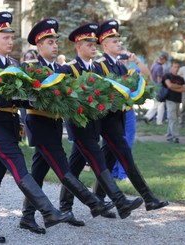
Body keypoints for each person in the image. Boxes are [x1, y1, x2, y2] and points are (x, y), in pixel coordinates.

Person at [0, 12, 71, 243]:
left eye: (11, 37)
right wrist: (14, 97)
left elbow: (22, 97)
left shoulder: (15, 65)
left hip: (10, 125)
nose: (10, 41)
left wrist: (35, 98)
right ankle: (48, 211)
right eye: (4, 37)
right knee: (19, 167)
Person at [18, 18, 113, 234]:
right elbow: (24, 98)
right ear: (39, 45)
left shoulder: (61, 69)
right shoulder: (32, 67)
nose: (54, 45)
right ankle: (93, 203)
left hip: (54, 124)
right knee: (63, 168)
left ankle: (27, 217)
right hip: (39, 124)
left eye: (55, 41)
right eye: (49, 42)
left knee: (39, 172)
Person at [58, 22, 143, 220]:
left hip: (94, 125)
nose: (93, 47)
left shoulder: (97, 68)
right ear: (78, 47)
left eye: (95, 43)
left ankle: (70, 207)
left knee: (75, 166)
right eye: (89, 44)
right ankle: (116, 202)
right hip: (79, 127)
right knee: (90, 163)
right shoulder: (69, 69)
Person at [91, 19, 169, 214]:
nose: (119, 44)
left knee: (108, 160)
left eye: (119, 40)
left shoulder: (119, 66)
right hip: (107, 121)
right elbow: (98, 92)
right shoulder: (99, 66)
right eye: (114, 41)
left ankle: (98, 201)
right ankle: (149, 198)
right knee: (126, 157)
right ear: (105, 44)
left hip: (119, 118)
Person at [163, 60, 185, 143]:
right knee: (173, 118)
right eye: (175, 67)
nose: (176, 69)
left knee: (173, 118)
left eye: (178, 67)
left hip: (178, 100)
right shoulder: (167, 76)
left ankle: (169, 135)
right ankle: (175, 136)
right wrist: (179, 87)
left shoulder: (181, 78)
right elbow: (169, 85)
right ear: (171, 67)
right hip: (169, 99)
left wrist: (174, 87)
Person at [143, 53, 168, 125]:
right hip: (158, 88)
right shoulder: (160, 67)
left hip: (153, 86)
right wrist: (161, 86)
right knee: (161, 105)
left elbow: (151, 76)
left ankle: (147, 116)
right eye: (165, 60)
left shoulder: (154, 65)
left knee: (156, 104)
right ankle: (159, 122)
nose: (165, 62)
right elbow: (159, 78)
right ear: (163, 60)